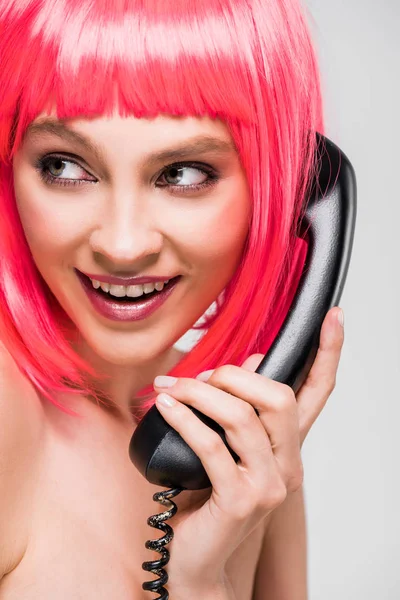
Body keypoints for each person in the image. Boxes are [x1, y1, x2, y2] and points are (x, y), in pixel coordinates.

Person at [0, 0, 345, 598]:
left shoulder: (241, 439)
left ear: (291, 193)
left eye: (183, 174)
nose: (123, 244)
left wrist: (198, 585)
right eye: (64, 166)